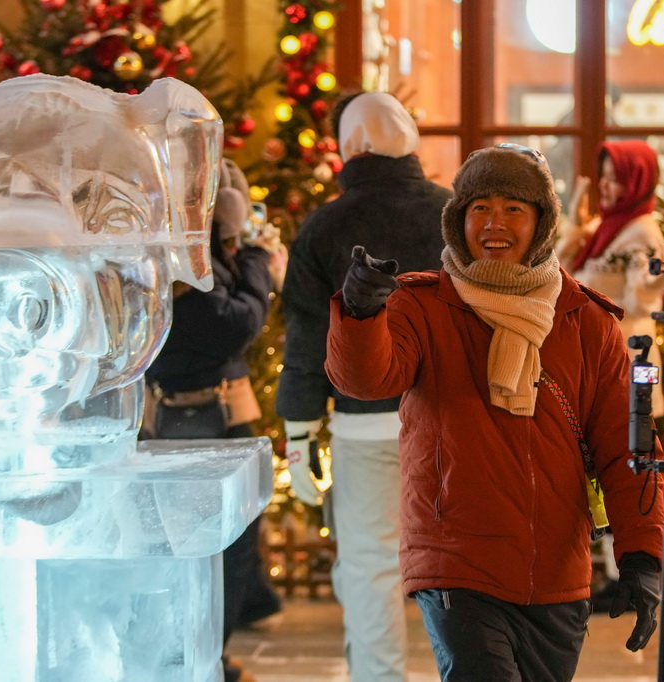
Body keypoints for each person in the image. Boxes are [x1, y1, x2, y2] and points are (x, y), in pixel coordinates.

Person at [324, 144, 664, 681]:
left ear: (542, 222)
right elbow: (366, 380)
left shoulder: (586, 321)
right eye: (479, 207)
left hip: (555, 571)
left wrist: (642, 557)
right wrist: (362, 313)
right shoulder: (424, 305)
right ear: (458, 220)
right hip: (457, 560)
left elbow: (628, 444)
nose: (494, 223)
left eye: (513, 208)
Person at [276, 91, 451, 682]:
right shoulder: (454, 214)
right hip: (451, 418)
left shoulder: (326, 226)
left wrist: (298, 431)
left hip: (363, 421)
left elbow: (305, 334)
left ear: (348, 149)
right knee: (462, 563)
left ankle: (379, 678)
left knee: (369, 565)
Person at [145, 158, 286, 682]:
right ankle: (202, 662)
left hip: (194, 417)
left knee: (218, 547)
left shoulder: (187, 249)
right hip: (201, 420)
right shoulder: (179, 262)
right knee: (218, 549)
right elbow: (234, 323)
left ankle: (206, 658)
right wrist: (252, 254)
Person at [556, 139, 664, 417]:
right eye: (603, 177)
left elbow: (641, 301)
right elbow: (559, 276)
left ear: (636, 182)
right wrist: (574, 230)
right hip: (595, 359)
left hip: (627, 359)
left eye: (615, 179)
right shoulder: (602, 226)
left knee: (627, 448)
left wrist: (661, 277)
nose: (603, 186)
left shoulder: (643, 233)